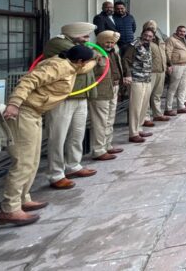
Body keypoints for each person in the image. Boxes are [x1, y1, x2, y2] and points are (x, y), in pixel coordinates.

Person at [0, 45, 97, 227]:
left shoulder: (71, 65)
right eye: (87, 61)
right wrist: (14, 103)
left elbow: (88, 66)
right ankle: (10, 208)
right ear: (80, 61)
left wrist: (96, 57)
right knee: (24, 161)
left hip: (35, 113)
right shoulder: (58, 66)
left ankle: (23, 198)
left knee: (33, 160)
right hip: (23, 112)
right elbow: (29, 80)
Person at [43, 22, 99, 189]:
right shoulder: (57, 43)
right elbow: (81, 65)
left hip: (81, 95)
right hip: (62, 97)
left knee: (77, 133)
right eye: (85, 35)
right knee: (58, 136)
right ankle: (56, 174)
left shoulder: (79, 45)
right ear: (75, 33)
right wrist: (94, 58)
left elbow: (86, 59)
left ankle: (73, 165)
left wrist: (92, 57)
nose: (88, 39)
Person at [88, 30, 124, 161]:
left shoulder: (114, 52)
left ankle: (107, 145)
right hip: (100, 91)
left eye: (112, 42)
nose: (110, 45)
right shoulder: (94, 54)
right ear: (100, 41)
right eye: (107, 42)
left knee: (110, 118)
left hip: (114, 88)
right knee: (100, 121)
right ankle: (98, 150)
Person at [122, 29, 154, 144]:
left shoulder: (148, 46)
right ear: (141, 35)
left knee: (144, 106)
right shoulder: (134, 45)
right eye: (145, 35)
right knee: (135, 107)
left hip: (146, 79)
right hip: (136, 79)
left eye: (150, 36)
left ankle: (139, 128)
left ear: (153, 38)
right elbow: (125, 60)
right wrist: (127, 74)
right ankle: (133, 133)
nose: (147, 38)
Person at [143, 20, 171, 125]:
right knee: (146, 95)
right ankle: (145, 117)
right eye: (150, 27)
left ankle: (157, 114)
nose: (152, 29)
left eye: (154, 27)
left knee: (157, 94)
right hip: (150, 71)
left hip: (161, 70)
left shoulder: (160, 40)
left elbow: (165, 53)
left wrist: (168, 65)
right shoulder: (143, 41)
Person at [165, 26, 186, 116]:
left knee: (183, 87)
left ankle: (181, 106)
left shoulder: (183, 40)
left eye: (184, 31)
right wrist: (169, 65)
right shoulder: (171, 40)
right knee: (173, 87)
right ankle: (168, 108)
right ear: (176, 31)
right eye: (180, 31)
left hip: (184, 65)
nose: (182, 33)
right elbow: (167, 52)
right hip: (176, 65)